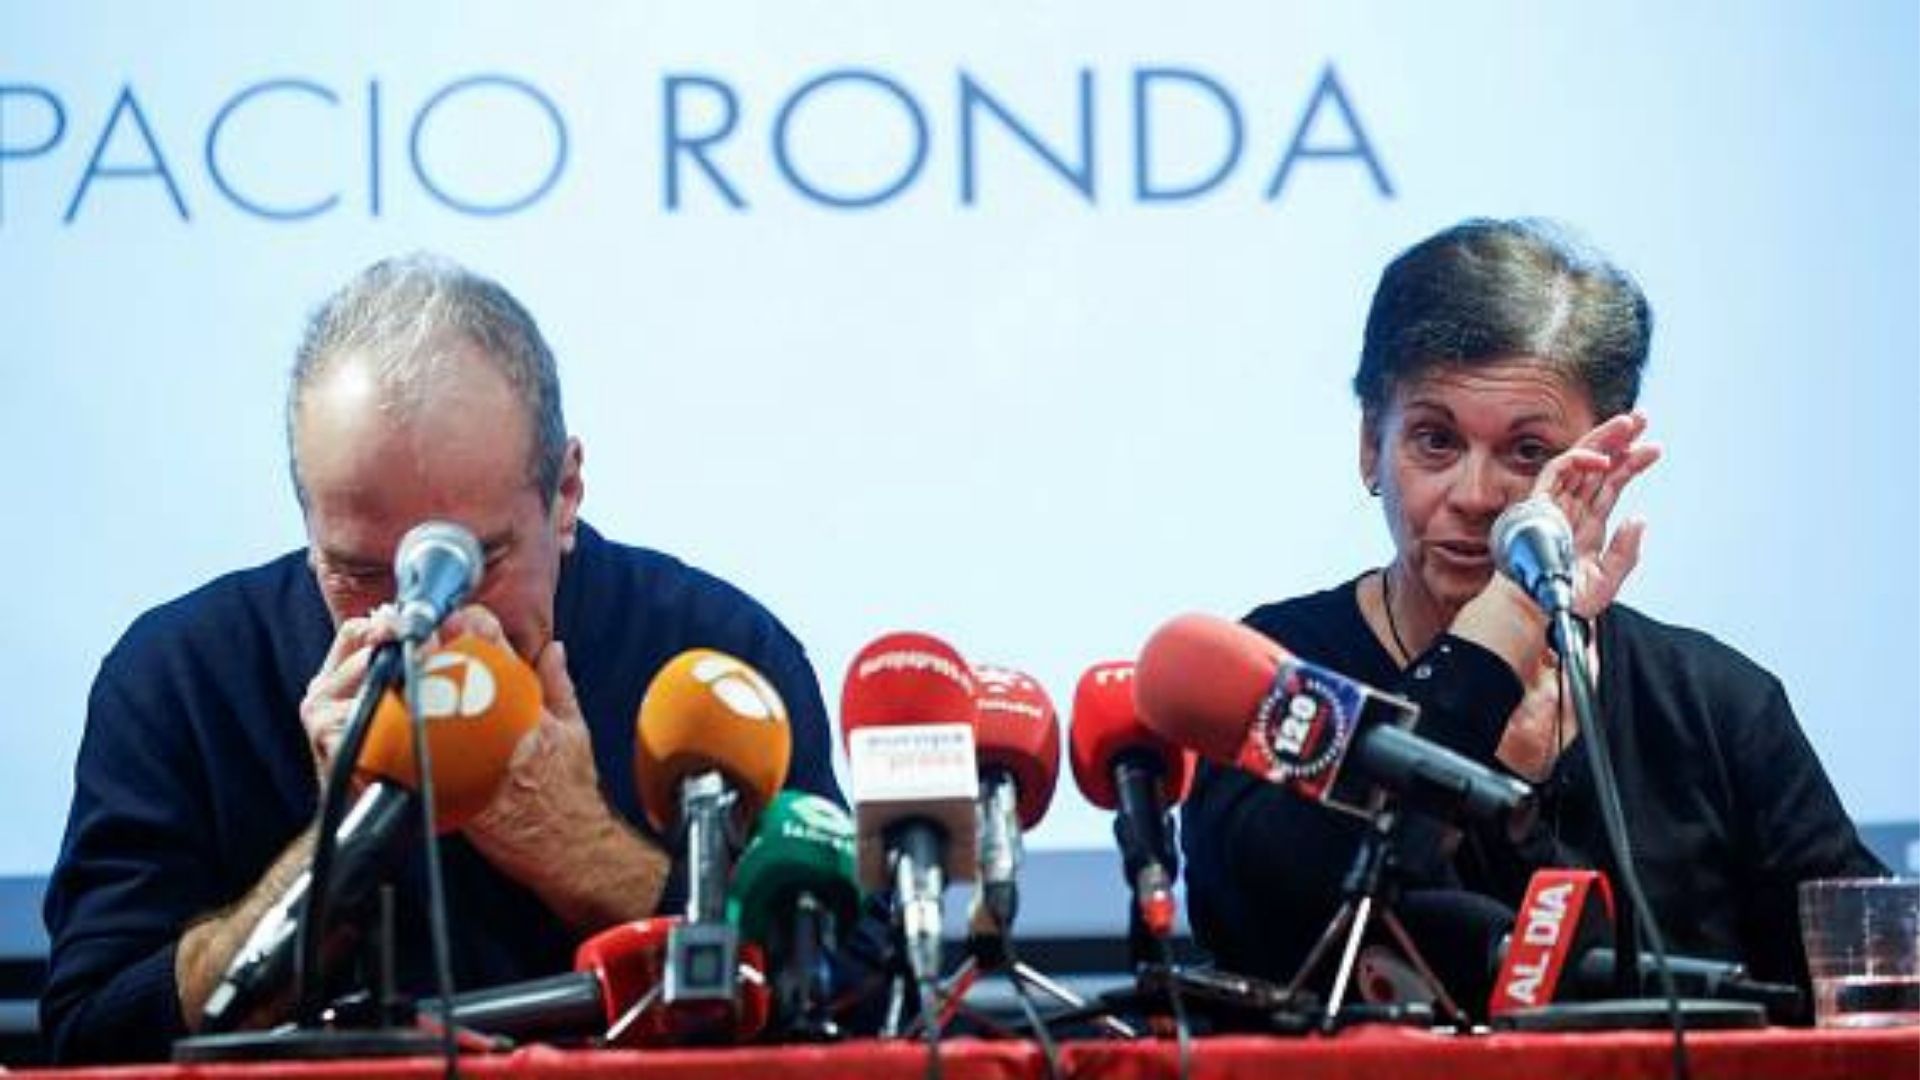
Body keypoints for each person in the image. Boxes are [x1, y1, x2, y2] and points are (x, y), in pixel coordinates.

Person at [41, 254, 843, 1062]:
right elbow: (90, 1040)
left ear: (565, 495)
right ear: (308, 521)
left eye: (476, 561)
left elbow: (855, 1005)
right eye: (360, 572)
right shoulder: (182, 679)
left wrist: (583, 849)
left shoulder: (718, 658)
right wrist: (341, 848)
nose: (421, 618)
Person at [1180, 218, 1883, 1014]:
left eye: (1527, 453)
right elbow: (1262, 918)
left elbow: (1867, 983)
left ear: (1606, 461)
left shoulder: (1716, 705)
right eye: (1434, 440)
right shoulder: (1280, 667)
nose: (1477, 495)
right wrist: (1496, 642)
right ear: (1371, 443)